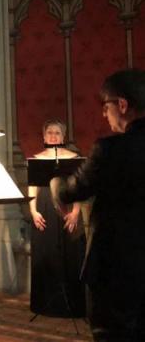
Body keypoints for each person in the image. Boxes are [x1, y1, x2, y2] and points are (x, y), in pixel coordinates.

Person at [52, 69, 145, 340]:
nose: (105, 114)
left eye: (106, 106)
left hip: (116, 267)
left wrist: (56, 183)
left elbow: (73, 191)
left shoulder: (111, 149)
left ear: (123, 105)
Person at [28, 119, 85, 317]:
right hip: (44, 206)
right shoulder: (36, 159)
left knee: (71, 253)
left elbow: (79, 187)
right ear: (44, 137)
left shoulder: (74, 158)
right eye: (49, 132)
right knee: (47, 251)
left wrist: (76, 211)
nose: (53, 135)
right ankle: (46, 302)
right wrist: (33, 211)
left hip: (68, 206)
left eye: (57, 132)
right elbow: (32, 188)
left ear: (64, 136)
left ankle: (73, 302)